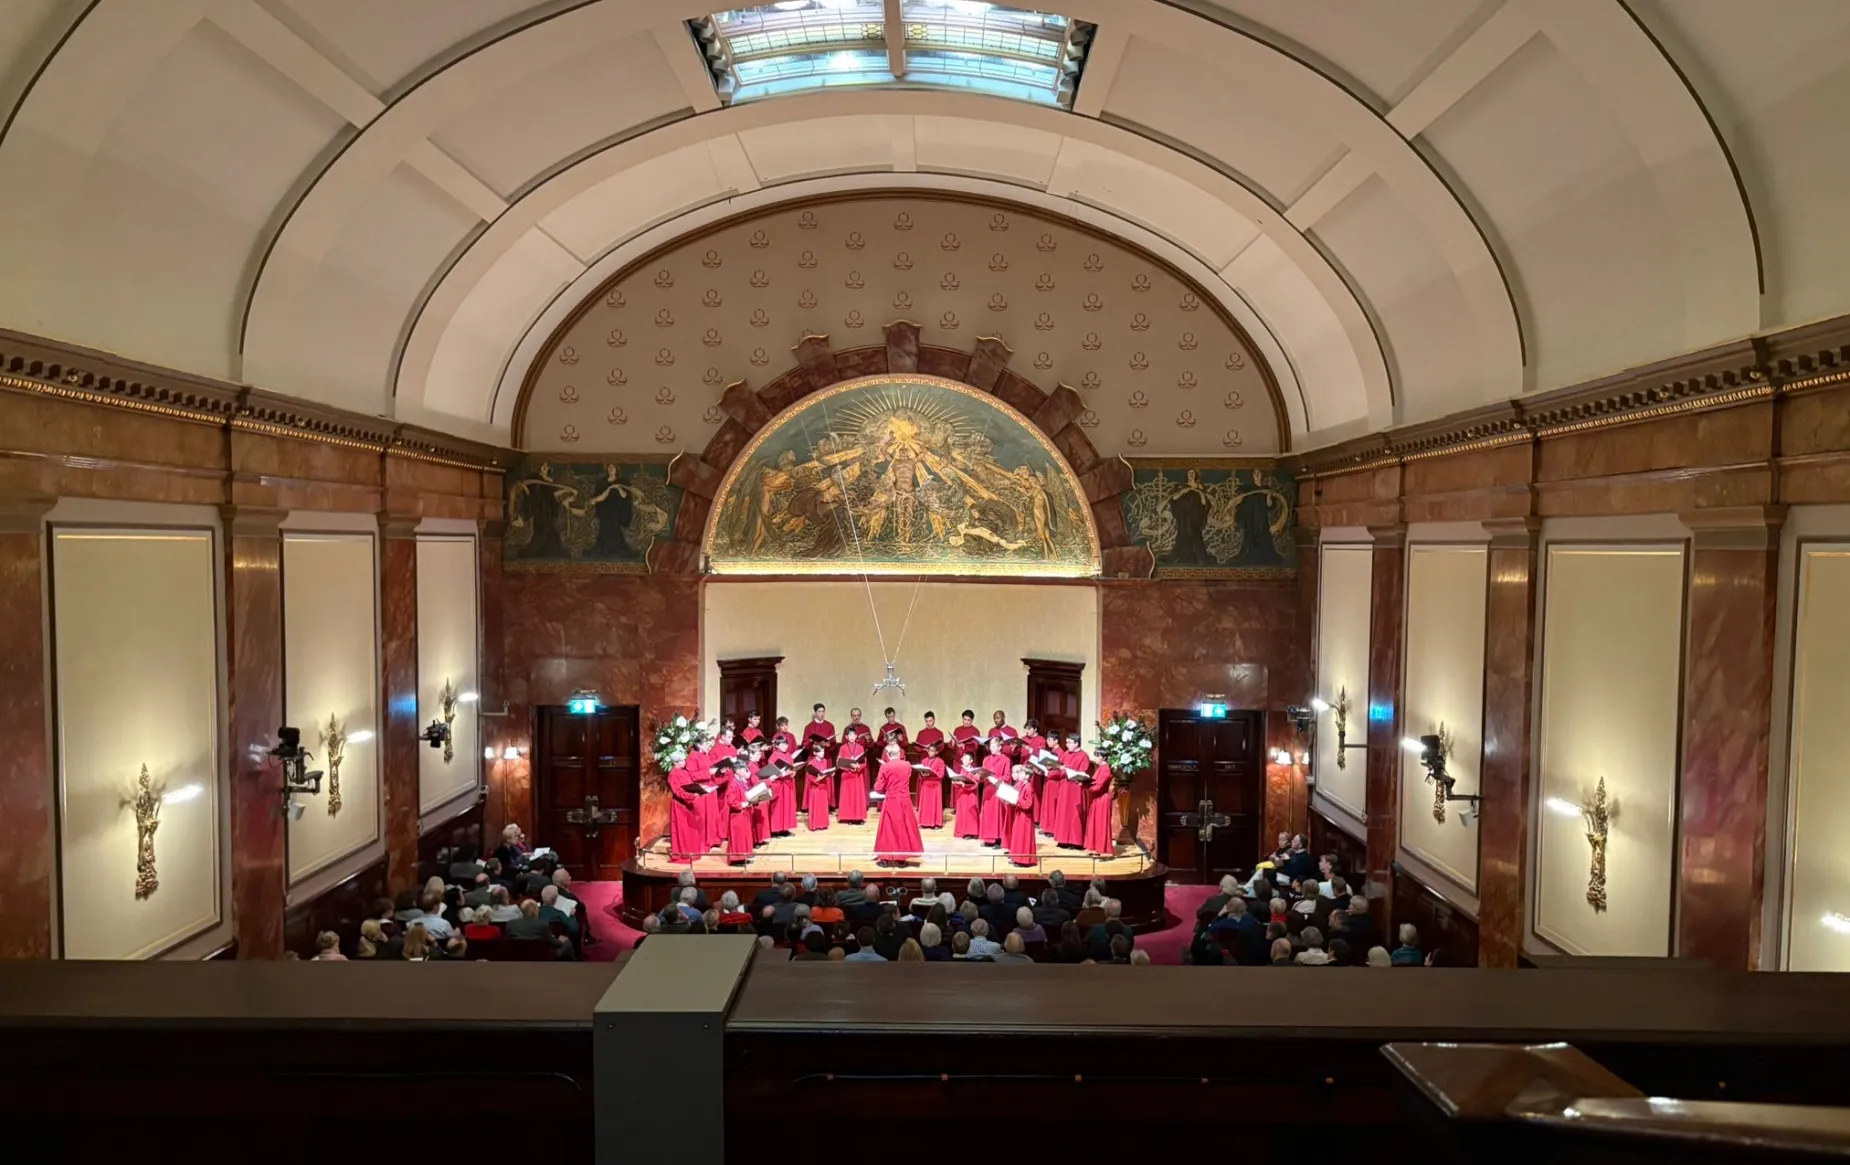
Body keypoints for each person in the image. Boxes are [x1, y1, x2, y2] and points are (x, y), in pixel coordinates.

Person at [872, 742, 923, 865]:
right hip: (904, 799)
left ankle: (885, 858)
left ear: (888, 755)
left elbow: (878, 788)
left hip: (892, 799)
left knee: (888, 829)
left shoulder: (885, 767)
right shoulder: (907, 765)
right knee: (903, 827)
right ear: (900, 753)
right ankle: (901, 859)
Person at [1054, 732, 1090, 849]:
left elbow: (1083, 772)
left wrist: (1067, 769)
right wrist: (1056, 766)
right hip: (1064, 787)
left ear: (1076, 743)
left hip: (1075, 788)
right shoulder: (1066, 753)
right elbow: (1060, 766)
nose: (1067, 744)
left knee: (1074, 814)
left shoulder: (1083, 756)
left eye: (1069, 742)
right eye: (1067, 742)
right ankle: (1063, 839)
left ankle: (1075, 841)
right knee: (1063, 813)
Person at [668, 759, 706, 861]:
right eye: (681, 761)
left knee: (691, 829)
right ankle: (684, 853)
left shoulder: (684, 771)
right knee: (683, 829)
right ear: (675, 762)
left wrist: (700, 790)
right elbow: (677, 791)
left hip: (688, 803)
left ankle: (692, 851)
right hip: (680, 804)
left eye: (684, 760)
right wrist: (691, 795)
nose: (684, 762)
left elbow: (691, 785)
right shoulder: (673, 774)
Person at [1003, 764, 1038, 866]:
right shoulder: (1023, 785)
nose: (1019, 775)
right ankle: (1017, 857)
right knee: (1018, 837)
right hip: (1020, 814)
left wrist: (1016, 799)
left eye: (1022, 773)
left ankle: (1024, 860)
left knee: (1023, 838)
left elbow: (1028, 804)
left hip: (1025, 817)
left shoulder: (1028, 787)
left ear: (1027, 776)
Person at [1082, 748, 1116, 855]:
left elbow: (1099, 786)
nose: (1095, 758)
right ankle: (1096, 848)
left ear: (1104, 757)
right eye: (1095, 755)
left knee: (1101, 824)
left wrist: (1086, 786)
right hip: (1097, 798)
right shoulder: (1101, 767)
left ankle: (1102, 849)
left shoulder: (1105, 768)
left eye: (1098, 756)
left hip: (1102, 799)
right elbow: (1094, 783)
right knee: (1095, 823)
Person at [978, 736, 1009, 846]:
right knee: (988, 814)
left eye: (994, 746)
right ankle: (988, 838)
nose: (992, 748)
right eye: (991, 746)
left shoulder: (1006, 759)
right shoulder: (986, 759)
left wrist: (996, 779)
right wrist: (979, 775)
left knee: (997, 814)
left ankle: (998, 839)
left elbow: (1007, 776)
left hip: (999, 789)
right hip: (988, 789)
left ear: (1000, 747)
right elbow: (982, 775)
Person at [836, 731, 870, 824]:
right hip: (847, 775)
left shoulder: (860, 747)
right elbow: (839, 762)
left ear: (856, 736)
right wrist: (849, 767)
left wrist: (858, 766)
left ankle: (859, 817)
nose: (852, 737)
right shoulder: (843, 748)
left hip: (857, 775)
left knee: (858, 796)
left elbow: (864, 762)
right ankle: (850, 817)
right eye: (849, 735)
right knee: (849, 796)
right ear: (846, 737)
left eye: (853, 735)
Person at [915, 737, 946, 830]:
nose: (930, 753)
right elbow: (920, 774)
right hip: (926, 784)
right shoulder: (924, 761)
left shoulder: (940, 761)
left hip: (935, 784)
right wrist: (922, 774)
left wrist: (931, 773)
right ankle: (924, 822)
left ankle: (936, 823)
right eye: (929, 751)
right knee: (925, 804)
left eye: (932, 751)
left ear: (936, 752)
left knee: (935, 804)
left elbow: (941, 774)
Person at [950, 751, 982, 838]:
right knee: (962, 813)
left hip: (971, 795)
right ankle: (963, 831)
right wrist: (955, 782)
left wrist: (964, 784)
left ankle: (972, 832)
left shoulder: (975, 771)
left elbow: (975, 784)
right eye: (963, 758)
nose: (963, 760)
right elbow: (960, 782)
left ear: (971, 761)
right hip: (962, 794)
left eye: (965, 759)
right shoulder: (962, 769)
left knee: (971, 813)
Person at [803, 743, 833, 831]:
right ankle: (815, 825)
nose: (822, 753)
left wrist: (830, 774)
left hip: (823, 786)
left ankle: (823, 824)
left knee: (823, 806)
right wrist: (817, 779)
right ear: (815, 753)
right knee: (816, 806)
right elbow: (809, 776)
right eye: (820, 752)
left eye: (823, 751)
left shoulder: (825, 761)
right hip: (815, 787)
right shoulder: (811, 763)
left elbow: (825, 771)